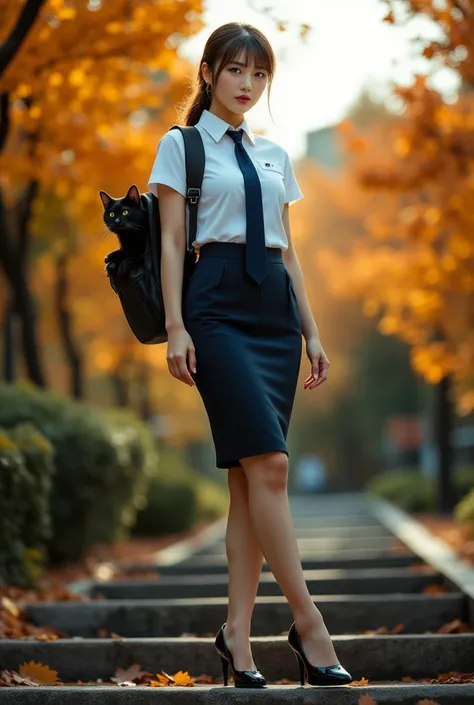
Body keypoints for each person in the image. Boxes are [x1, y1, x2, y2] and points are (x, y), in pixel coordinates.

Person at [147, 21, 352, 689]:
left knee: (247, 481)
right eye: (235, 69)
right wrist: (176, 326)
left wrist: (312, 330)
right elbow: (172, 241)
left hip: (274, 318)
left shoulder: (274, 156)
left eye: (259, 73)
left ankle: (237, 636)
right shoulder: (181, 146)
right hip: (214, 305)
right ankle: (308, 621)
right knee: (271, 466)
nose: (248, 84)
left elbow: (289, 250)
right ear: (208, 73)